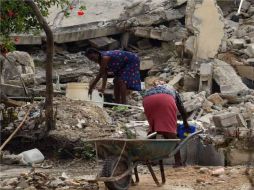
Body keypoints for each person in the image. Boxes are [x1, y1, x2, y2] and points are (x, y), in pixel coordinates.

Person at [143, 80, 189, 167]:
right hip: (165, 99)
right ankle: (178, 162)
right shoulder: (172, 90)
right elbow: (182, 109)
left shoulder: (151, 89)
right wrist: (185, 123)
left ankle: (149, 159)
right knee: (170, 133)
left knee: (153, 130)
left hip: (147, 101)